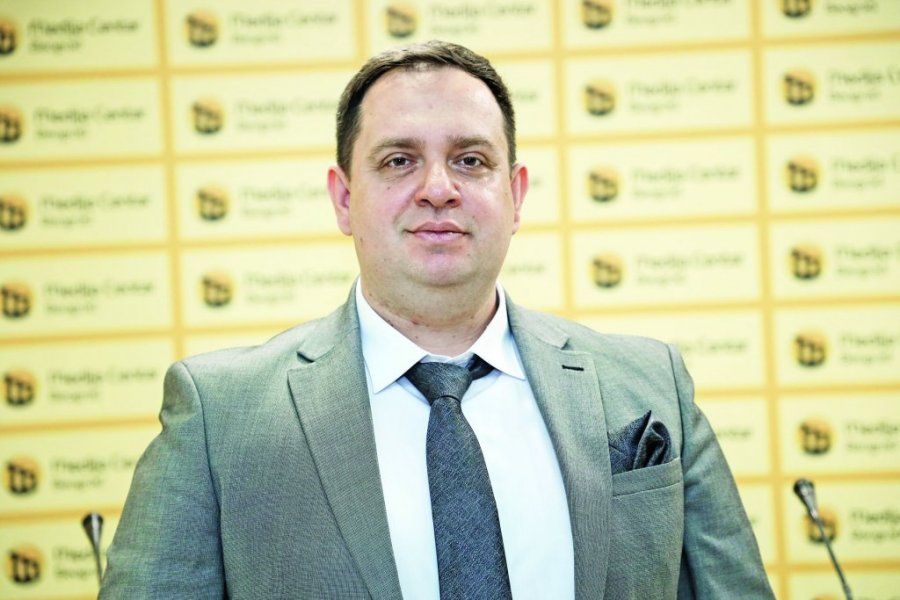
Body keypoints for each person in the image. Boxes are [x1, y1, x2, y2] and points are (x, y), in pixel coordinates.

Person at [100, 41, 774, 599]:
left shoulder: (650, 384)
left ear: (515, 195)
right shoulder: (220, 417)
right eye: (399, 161)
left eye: (470, 160)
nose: (438, 188)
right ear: (344, 199)